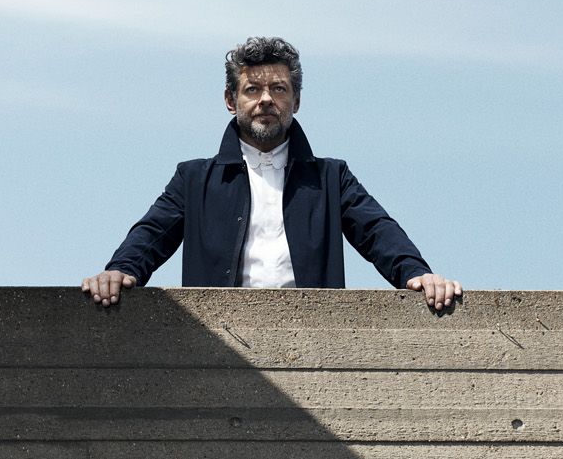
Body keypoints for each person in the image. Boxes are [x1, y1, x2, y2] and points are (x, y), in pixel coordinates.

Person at [82, 37, 462, 310]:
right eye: (252, 89)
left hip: (315, 345)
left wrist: (417, 273)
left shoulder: (332, 178)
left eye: (278, 89)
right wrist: (119, 271)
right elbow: (151, 234)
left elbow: (377, 230)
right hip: (218, 350)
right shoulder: (193, 180)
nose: (266, 99)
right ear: (231, 100)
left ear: (296, 101)